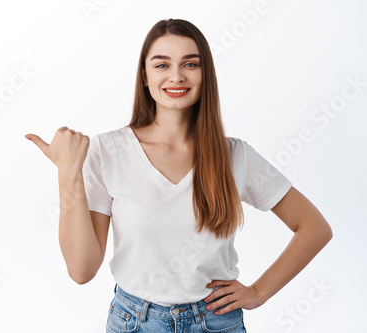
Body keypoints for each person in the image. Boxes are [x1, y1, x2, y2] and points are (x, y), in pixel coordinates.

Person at [25, 18, 333, 333]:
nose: (176, 76)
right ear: (144, 76)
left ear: (205, 74)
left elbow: (314, 228)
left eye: (190, 63)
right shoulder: (108, 150)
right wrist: (68, 173)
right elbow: (82, 270)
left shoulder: (234, 156)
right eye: (161, 65)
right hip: (134, 322)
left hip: (216, 321)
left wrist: (258, 292)